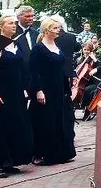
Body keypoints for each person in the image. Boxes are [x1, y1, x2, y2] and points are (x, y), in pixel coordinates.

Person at [0, 14, 34, 176]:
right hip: (0, 91)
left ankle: (11, 160)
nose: (14, 25)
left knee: (15, 125)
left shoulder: (16, 43)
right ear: (0, 26)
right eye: (10, 23)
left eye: (15, 23)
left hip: (16, 91)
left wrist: (25, 87)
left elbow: (22, 67)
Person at [29, 16, 77, 165]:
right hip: (46, 89)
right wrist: (38, 90)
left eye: (59, 28)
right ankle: (42, 153)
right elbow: (33, 71)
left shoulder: (57, 46)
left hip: (59, 88)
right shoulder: (38, 49)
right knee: (46, 122)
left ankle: (60, 153)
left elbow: (62, 66)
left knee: (60, 120)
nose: (59, 30)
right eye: (55, 28)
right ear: (47, 30)